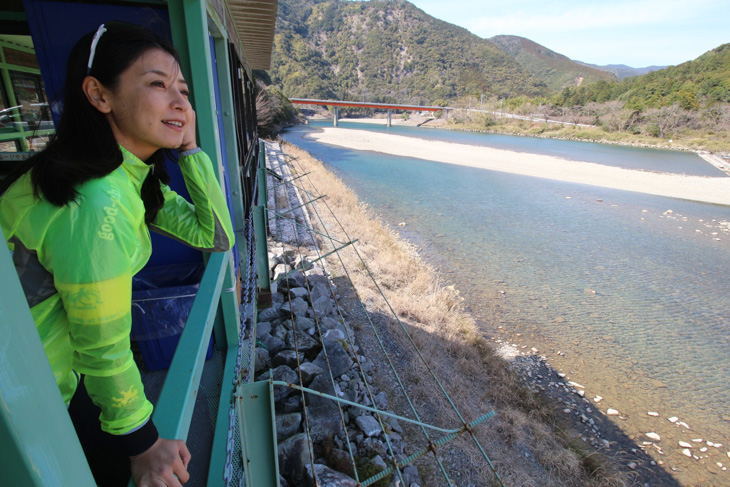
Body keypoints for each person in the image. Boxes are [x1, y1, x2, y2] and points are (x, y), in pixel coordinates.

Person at [0, 22, 234, 487]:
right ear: (99, 95)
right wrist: (144, 444)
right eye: (157, 84)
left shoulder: (123, 177)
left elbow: (215, 236)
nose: (180, 103)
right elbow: (104, 347)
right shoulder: (98, 199)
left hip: (50, 376)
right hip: (28, 394)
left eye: (183, 92)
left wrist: (190, 150)